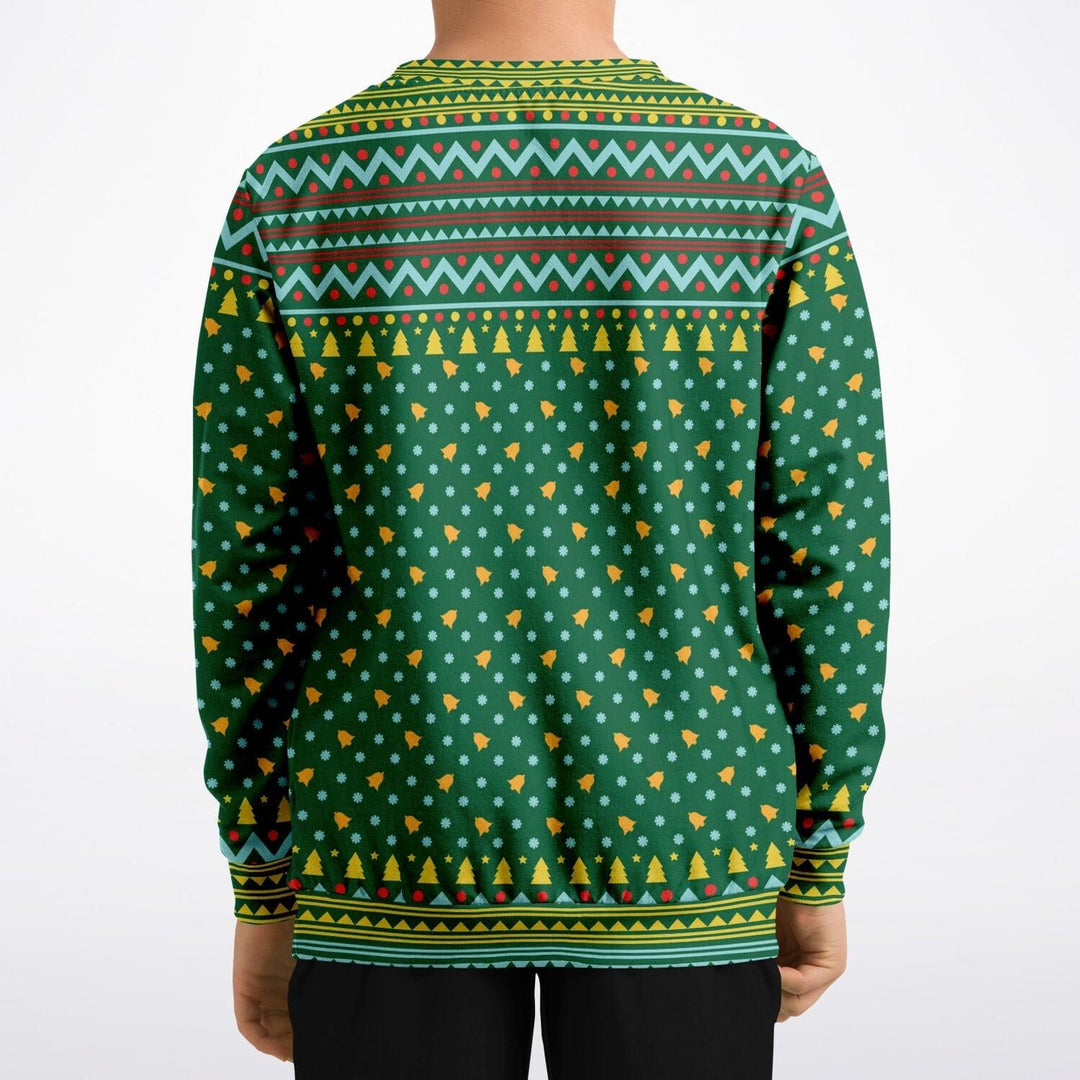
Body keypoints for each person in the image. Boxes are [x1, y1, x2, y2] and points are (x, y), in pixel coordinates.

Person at [190, 1, 891, 1075]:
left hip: (392, 831)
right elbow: (830, 552)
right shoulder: (763, 180)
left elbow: (250, 574)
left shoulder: (298, 186)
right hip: (686, 835)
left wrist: (263, 878)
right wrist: (819, 853)